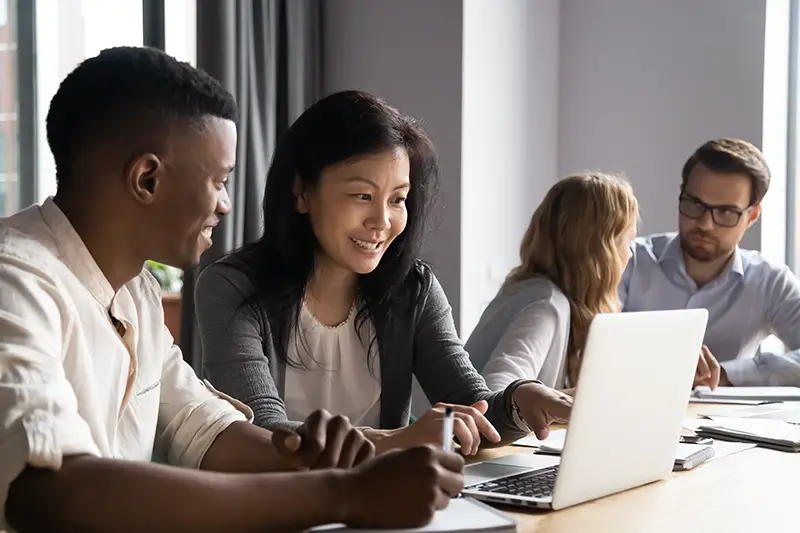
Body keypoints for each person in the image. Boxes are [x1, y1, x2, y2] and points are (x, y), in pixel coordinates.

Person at [0, 47, 466, 533]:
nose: (225, 205)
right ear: (147, 178)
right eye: (220, 180)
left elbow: (204, 430)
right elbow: (48, 492)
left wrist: (324, 458)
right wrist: (344, 495)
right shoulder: (15, 278)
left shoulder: (135, 292)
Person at [195, 90, 573, 457]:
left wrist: (521, 401)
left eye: (397, 199)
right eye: (362, 196)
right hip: (280, 509)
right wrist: (395, 440)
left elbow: (474, 410)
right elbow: (262, 433)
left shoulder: (414, 288)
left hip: (386, 505)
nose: (382, 221)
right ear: (302, 193)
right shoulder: (231, 287)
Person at [621, 137, 800, 387]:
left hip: (729, 424)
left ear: (752, 216)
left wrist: (726, 374)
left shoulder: (770, 281)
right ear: (681, 194)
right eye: (695, 205)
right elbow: (585, 349)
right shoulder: (630, 260)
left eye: (726, 212)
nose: (705, 224)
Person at [465, 173, 638, 392]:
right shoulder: (546, 305)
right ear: (600, 250)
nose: (630, 254)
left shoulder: (532, 290)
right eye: (627, 241)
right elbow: (497, 389)